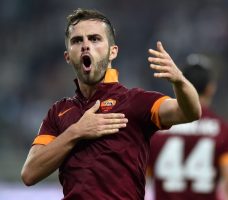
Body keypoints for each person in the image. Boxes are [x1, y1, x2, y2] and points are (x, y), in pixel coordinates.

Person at [21, 8, 201, 200]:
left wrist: (180, 82)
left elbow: (189, 112)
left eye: (95, 39)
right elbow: (29, 174)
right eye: (77, 40)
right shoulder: (58, 112)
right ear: (67, 56)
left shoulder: (135, 102)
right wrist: (76, 132)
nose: (85, 45)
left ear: (112, 52)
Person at [147, 54, 228, 200]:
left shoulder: (157, 130)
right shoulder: (225, 131)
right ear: (210, 88)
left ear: (179, 86)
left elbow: (138, 181)